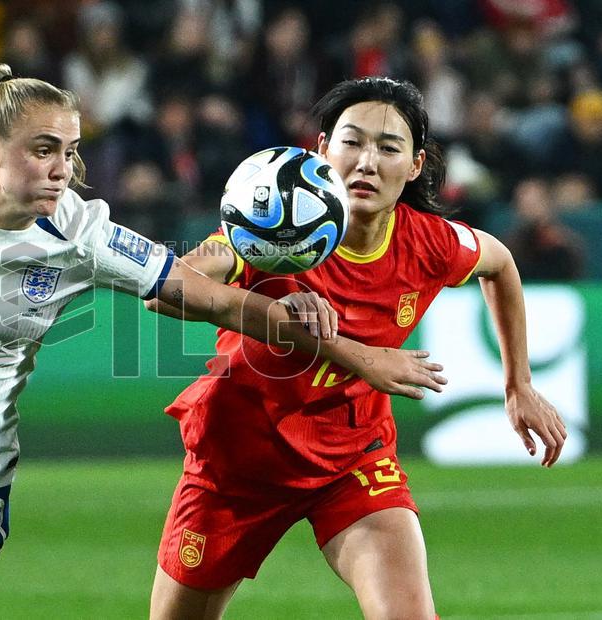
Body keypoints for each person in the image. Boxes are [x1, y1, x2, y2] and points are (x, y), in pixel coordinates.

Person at [0, 65, 443, 620]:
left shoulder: (84, 233)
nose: (61, 168)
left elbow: (206, 298)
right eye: (42, 150)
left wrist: (329, 337)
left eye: (68, 150)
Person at [146, 77, 568, 619]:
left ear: (415, 165)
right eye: (352, 141)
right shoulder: (273, 228)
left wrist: (519, 383)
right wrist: (284, 318)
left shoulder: (429, 241)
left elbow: (500, 263)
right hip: (238, 462)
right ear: (322, 151)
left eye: (389, 148)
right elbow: (169, 289)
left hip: (353, 459)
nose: (367, 161)